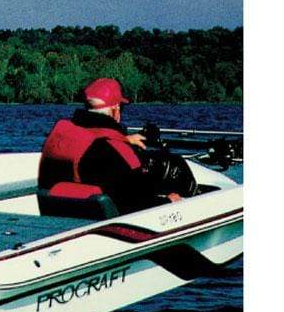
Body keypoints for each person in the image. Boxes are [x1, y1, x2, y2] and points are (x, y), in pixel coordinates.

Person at [38, 78, 186, 214]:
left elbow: (92, 141)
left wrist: (123, 139)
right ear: (115, 110)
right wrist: (167, 201)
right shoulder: (113, 151)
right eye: (121, 108)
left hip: (58, 219)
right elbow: (138, 202)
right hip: (103, 226)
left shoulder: (62, 135)